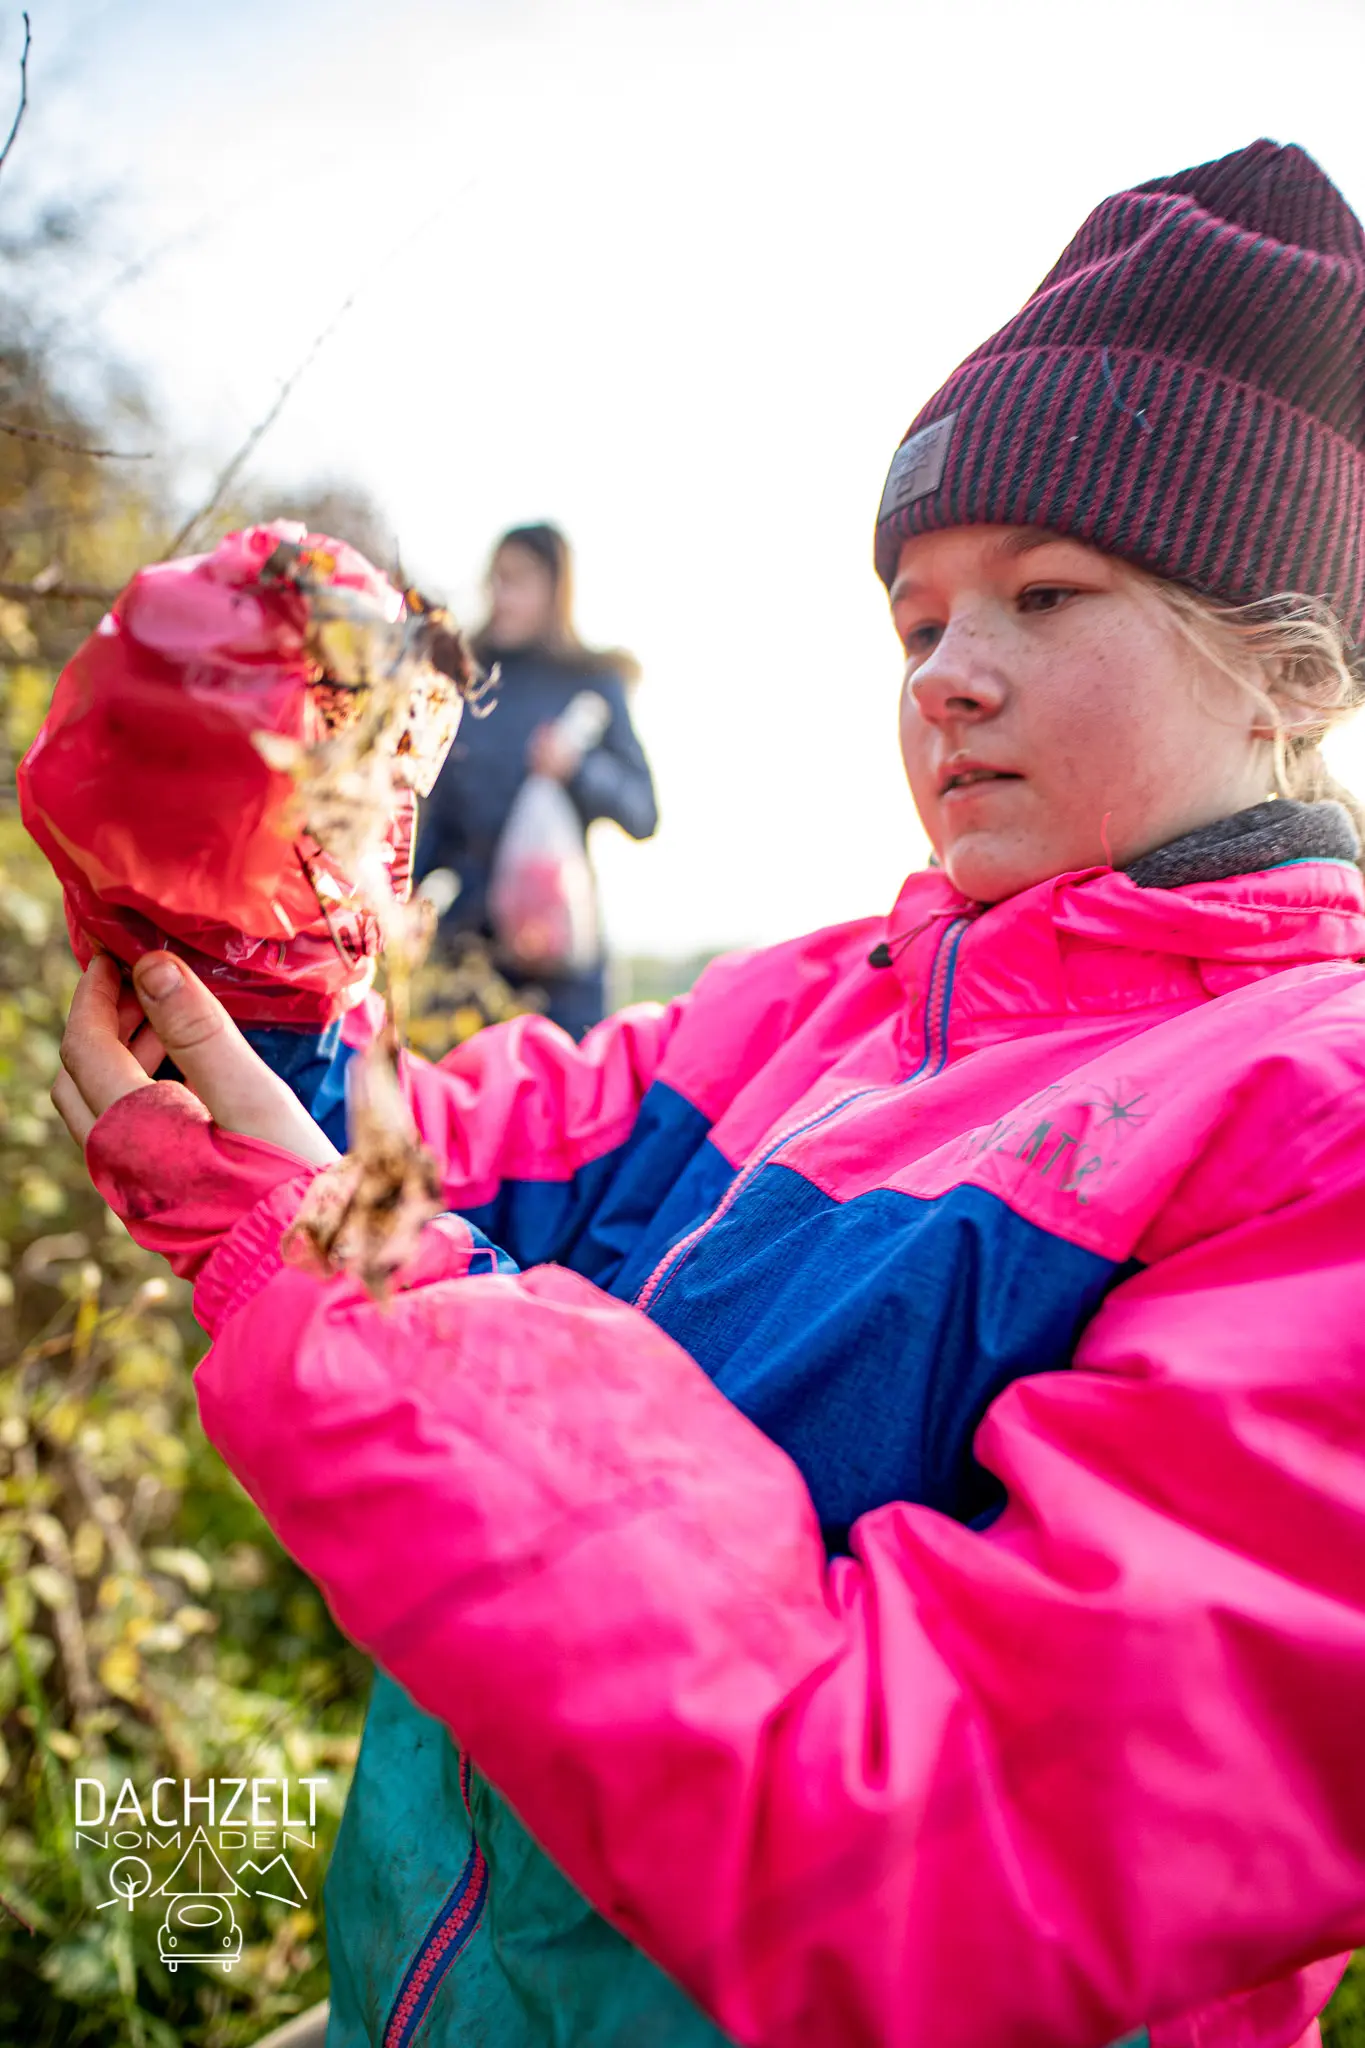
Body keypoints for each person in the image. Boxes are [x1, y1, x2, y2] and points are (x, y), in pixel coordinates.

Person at [52, 138, 1365, 2048]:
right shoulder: (819, 1004)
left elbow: (931, 1834)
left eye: (1044, 593)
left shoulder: (1317, 1130)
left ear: (1290, 670)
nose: (948, 678)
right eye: (917, 622)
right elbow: (435, 1163)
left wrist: (346, 1277)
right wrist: (238, 938)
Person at [414, 522, 658, 1039]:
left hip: (561, 968)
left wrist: (577, 769)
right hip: (469, 954)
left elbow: (643, 813)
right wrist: (401, 899)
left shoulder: (591, 681)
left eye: (518, 580)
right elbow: (436, 817)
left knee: (567, 1087)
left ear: (555, 589)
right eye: (496, 579)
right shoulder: (463, 679)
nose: (501, 596)